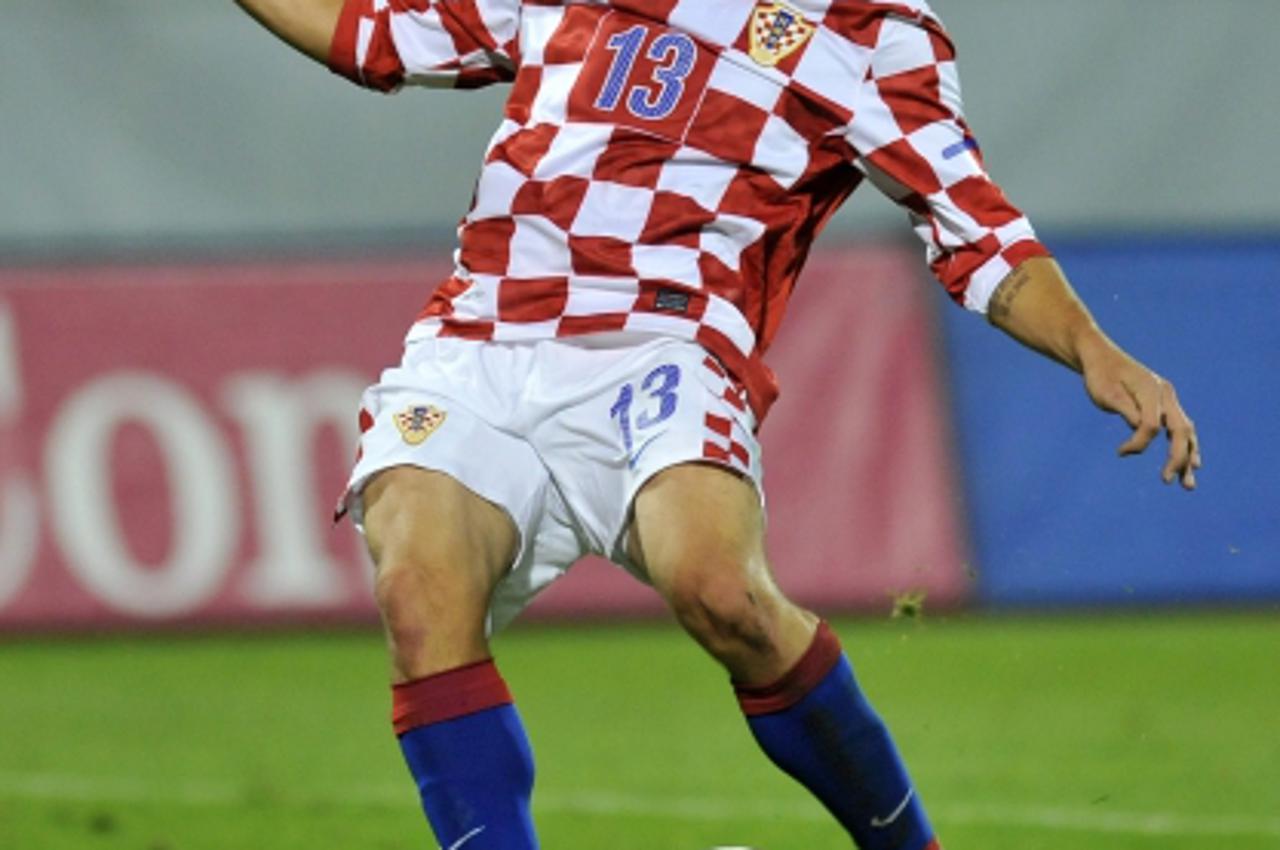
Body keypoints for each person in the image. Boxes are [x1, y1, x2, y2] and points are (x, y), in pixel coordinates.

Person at [235, 1, 1201, 848]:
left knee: (719, 589)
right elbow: (375, 33)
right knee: (418, 591)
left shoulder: (873, 32)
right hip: (480, 336)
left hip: (669, 342)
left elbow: (977, 230)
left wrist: (1092, 348)